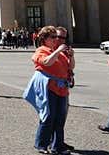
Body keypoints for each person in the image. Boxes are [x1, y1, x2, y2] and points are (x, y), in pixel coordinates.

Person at [23, 26, 74, 154]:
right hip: (49, 88)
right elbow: (46, 62)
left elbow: (70, 66)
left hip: (62, 88)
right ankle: (41, 144)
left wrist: (71, 56)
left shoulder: (57, 51)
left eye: (57, 37)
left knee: (60, 118)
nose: (56, 39)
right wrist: (57, 52)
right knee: (48, 117)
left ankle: (57, 146)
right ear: (44, 39)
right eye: (53, 37)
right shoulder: (42, 50)